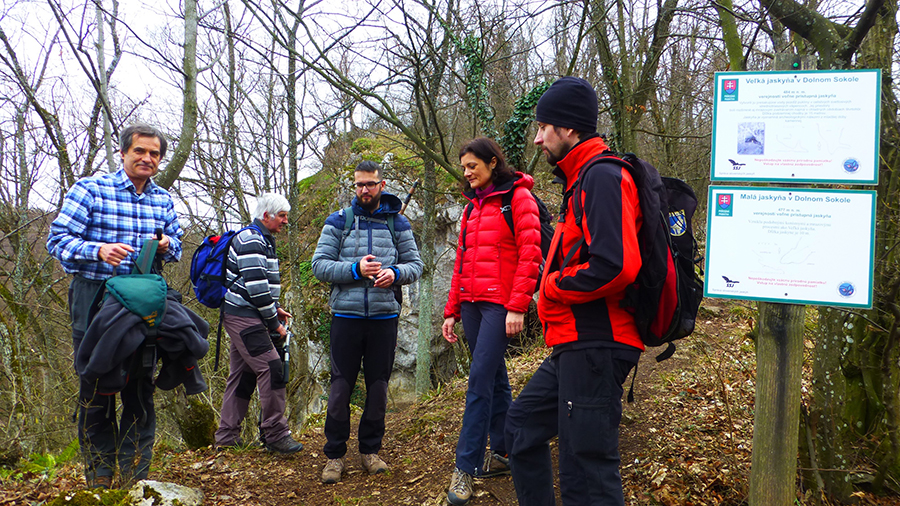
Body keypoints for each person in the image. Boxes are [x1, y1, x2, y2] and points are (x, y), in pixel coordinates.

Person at [504, 77, 644, 505]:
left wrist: (552, 286)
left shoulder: (602, 177)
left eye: (543, 127)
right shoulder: (579, 180)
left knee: (586, 469)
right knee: (521, 426)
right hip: (573, 343)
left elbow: (616, 265)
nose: (537, 138)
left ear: (568, 128)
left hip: (597, 344)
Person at [47, 123, 184, 489]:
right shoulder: (92, 189)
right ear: (124, 152)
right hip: (94, 294)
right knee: (96, 382)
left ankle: (135, 475)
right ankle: (100, 476)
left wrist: (169, 244)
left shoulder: (162, 200)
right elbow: (57, 240)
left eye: (154, 154)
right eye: (140, 151)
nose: (147, 159)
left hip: (143, 298)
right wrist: (98, 250)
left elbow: (179, 246)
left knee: (140, 384)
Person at [441, 138, 542, 505]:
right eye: (464, 167)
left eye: (473, 166)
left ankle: (464, 468)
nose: (467, 173)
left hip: (500, 305)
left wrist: (517, 306)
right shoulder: (472, 208)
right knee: (495, 378)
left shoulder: (518, 198)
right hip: (470, 304)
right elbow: (461, 262)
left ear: (493, 162)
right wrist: (451, 310)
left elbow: (531, 255)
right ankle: (501, 452)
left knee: (479, 382)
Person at [311, 161, 423, 484]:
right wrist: (356, 269)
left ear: (381, 184)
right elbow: (319, 266)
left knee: (378, 389)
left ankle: (370, 451)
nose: (364, 190)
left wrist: (396, 274)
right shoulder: (339, 222)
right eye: (359, 185)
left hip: (384, 319)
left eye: (370, 185)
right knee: (340, 389)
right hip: (345, 318)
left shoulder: (397, 223)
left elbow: (416, 265)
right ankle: (334, 456)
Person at [214, 193, 303, 455]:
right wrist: (274, 322)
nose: (286, 221)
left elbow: (254, 284)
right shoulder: (251, 239)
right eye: (282, 216)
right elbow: (255, 289)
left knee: (242, 375)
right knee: (272, 368)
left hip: (246, 314)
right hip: (244, 316)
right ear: (267, 216)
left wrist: (274, 308)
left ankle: (227, 437)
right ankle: (276, 434)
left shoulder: (262, 239)